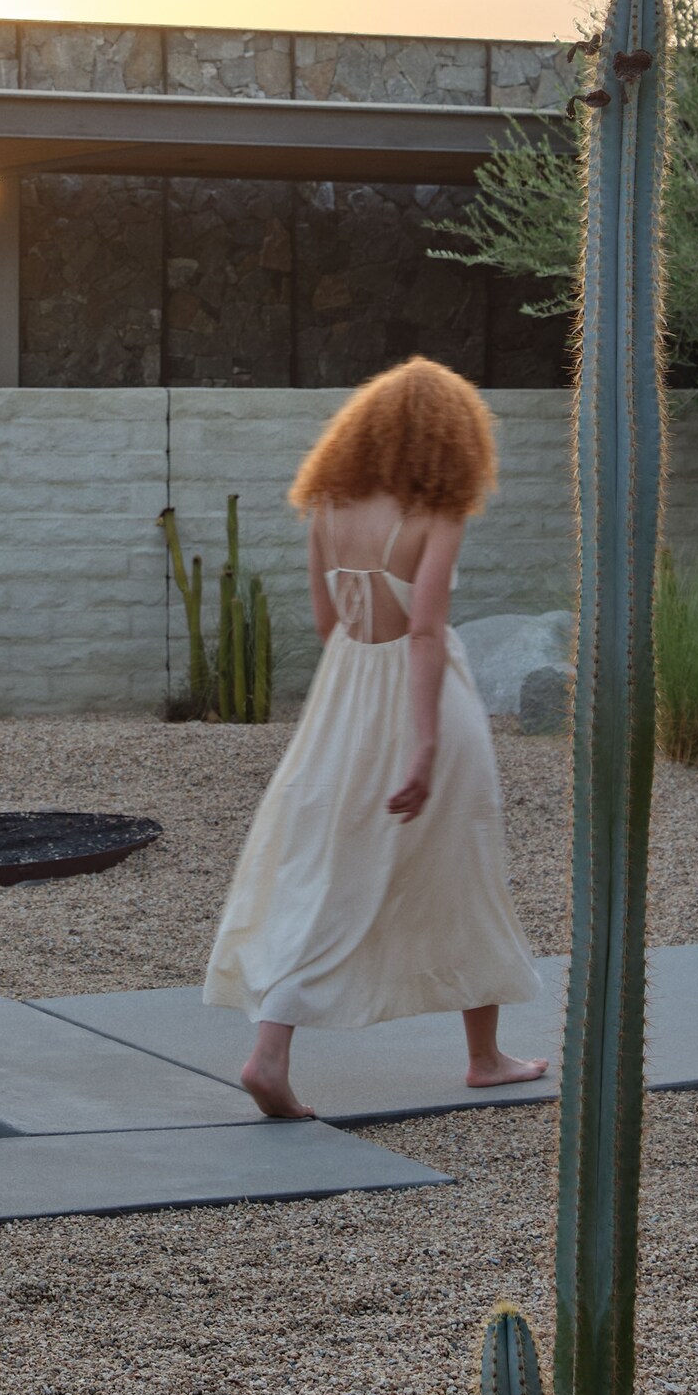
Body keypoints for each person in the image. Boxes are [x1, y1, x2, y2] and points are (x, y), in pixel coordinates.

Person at [202, 355, 551, 1121]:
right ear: (451, 437)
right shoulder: (435, 515)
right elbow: (425, 631)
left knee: (321, 868)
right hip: (428, 699)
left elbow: (330, 626)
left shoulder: (326, 506)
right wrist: (421, 743)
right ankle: (484, 1057)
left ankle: (272, 1051)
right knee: (462, 864)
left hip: (344, 695)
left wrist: (357, 706)